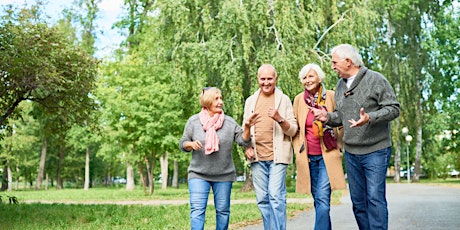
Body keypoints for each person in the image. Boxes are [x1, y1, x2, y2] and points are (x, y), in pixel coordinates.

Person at [310, 44, 400, 230]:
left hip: (375, 150)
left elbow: (393, 109)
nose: (333, 66)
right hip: (351, 152)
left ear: (348, 62)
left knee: (374, 199)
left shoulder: (376, 80)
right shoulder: (340, 85)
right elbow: (341, 117)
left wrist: (370, 118)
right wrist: (327, 117)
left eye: (335, 62)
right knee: (358, 203)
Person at [179, 87, 259, 230]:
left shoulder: (228, 122)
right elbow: (183, 142)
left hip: (223, 175)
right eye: (216, 99)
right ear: (207, 101)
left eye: (221, 98)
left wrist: (247, 127)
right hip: (198, 174)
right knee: (197, 211)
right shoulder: (194, 121)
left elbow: (243, 141)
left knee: (222, 211)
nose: (220, 102)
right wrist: (190, 144)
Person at [243, 64, 298, 230]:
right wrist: (247, 146)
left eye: (269, 79)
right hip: (257, 158)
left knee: (275, 195)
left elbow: (293, 130)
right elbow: (244, 134)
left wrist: (279, 118)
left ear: (276, 79)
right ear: (258, 79)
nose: (266, 82)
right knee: (262, 199)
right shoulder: (250, 101)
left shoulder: (283, 99)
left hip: (278, 156)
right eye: (263, 79)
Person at [292, 63, 346, 230]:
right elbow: (296, 128)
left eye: (311, 76)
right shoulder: (299, 100)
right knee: (318, 200)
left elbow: (341, 120)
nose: (308, 80)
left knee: (322, 198)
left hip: (327, 155)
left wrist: (340, 143)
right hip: (308, 157)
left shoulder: (330, 96)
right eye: (305, 77)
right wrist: (298, 149)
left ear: (319, 77)